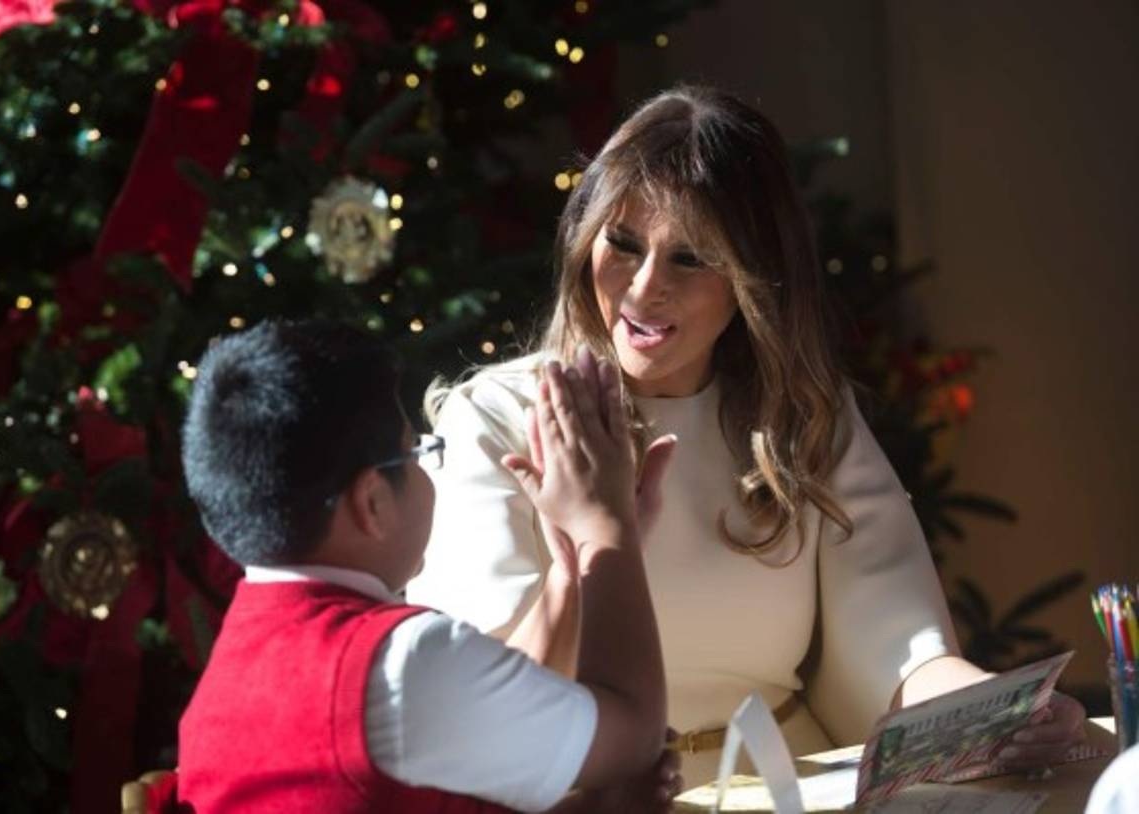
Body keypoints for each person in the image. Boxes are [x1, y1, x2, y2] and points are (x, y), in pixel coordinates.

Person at [407, 85, 1086, 784]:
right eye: (622, 243)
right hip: (594, 794)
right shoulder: (497, 418)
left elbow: (898, 653)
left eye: (691, 258)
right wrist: (588, 552)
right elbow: (480, 699)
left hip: (793, 789)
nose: (643, 289)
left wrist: (996, 713)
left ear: (754, 275)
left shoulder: (804, 417)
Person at [176, 319, 680, 813]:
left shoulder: (228, 674)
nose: (425, 468)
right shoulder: (405, 660)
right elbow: (633, 740)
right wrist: (606, 529)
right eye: (415, 452)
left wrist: (571, 572)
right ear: (372, 502)